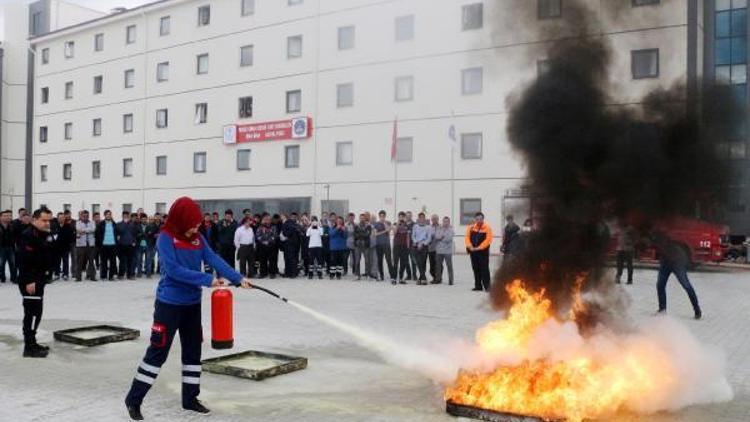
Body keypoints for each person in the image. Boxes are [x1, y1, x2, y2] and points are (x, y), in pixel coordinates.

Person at [124, 197, 252, 421]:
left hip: (192, 304)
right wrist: (206, 279)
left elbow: (214, 258)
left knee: (193, 352)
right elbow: (173, 270)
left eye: (198, 223)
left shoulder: (198, 238)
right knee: (158, 352)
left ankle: (190, 398)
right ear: (181, 220)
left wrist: (237, 277)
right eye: (192, 223)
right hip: (169, 305)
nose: (196, 227)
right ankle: (134, 400)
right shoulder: (166, 238)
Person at [17, 207, 56, 358]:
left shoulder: (44, 234)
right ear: (35, 220)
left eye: (49, 220)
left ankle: (32, 342)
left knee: (37, 313)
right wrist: (29, 280)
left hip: (39, 279)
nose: (47, 223)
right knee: (31, 314)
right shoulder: (28, 235)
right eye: (44, 220)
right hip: (30, 281)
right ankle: (29, 346)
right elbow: (23, 260)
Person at [653, 232, 702, 320]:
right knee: (660, 285)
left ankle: (697, 309)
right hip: (665, 262)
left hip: (677, 263)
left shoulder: (673, 235)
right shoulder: (660, 232)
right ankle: (662, 309)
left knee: (686, 285)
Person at [465, 212, 493, 292]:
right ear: (475, 219)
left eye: (480, 219)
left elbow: (488, 240)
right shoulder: (470, 228)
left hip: (483, 252)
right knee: (475, 269)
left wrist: (479, 248)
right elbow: (467, 238)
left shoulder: (487, 228)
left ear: (483, 219)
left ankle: (487, 286)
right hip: (473, 252)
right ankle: (478, 286)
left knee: (484, 269)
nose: (479, 221)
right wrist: (470, 246)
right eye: (477, 219)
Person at [116, 211, 140, 280]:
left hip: (131, 245)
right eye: (124, 215)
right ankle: (121, 274)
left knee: (131, 261)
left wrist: (134, 242)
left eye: (127, 215)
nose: (126, 216)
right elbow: (120, 231)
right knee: (122, 261)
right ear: (122, 216)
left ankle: (130, 275)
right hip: (122, 244)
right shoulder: (119, 224)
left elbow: (136, 234)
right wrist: (125, 224)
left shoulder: (133, 224)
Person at [75, 210, 97, 282]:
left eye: (87, 216)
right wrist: (88, 230)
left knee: (91, 261)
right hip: (81, 245)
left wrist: (83, 231)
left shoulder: (92, 222)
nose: (85, 217)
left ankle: (92, 277)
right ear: (81, 216)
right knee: (80, 262)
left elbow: (93, 229)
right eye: (84, 216)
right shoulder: (78, 222)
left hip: (90, 245)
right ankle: (78, 277)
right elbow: (78, 230)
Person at [373, 210, 395, 283]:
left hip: (386, 244)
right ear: (379, 216)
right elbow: (375, 234)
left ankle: (392, 276)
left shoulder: (388, 222)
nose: (382, 217)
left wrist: (385, 224)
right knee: (379, 261)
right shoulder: (376, 224)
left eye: (383, 216)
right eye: (381, 216)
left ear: (385, 216)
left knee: (389, 260)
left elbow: (389, 232)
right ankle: (381, 276)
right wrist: (385, 231)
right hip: (378, 244)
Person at [96, 210, 119, 281]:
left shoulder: (114, 223)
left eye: (109, 214)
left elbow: (117, 234)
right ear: (104, 215)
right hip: (104, 245)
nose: (108, 216)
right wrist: (100, 244)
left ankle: (111, 276)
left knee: (113, 261)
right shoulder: (101, 224)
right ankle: (104, 276)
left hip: (112, 245)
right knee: (104, 262)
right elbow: (97, 235)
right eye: (107, 214)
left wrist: (116, 242)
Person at [411, 213, 432, 285]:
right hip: (416, 246)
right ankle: (424, 278)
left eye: (423, 218)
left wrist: (423, 244)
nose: (422, 219)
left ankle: (420, 279)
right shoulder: (415, 226)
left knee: (423, 262)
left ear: (425, 219)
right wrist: (416, 243)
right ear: (418, 219)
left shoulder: (428, 227)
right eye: (420, 218)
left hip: (424, 246)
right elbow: (413, 236)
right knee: (418, 262)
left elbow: (429, 238)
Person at [255, 214, 278, 279]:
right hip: (262, 246)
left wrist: (268, 241)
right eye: (265, 219)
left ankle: (272, 273)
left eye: (268, 219)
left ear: (270, 220)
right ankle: (263, 273)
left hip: (271, 246)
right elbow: (258, 236)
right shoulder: (260, 227)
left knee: (272, 260)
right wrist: (263, 242)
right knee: (262, 260)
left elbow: (275, 236)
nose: (267, 221)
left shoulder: (273, 227)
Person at [434, 216, 455, 285]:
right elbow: (436, 237)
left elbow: (448, 239)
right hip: (439, 250)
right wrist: (441, 237)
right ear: (442, 222)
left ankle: (451, 280)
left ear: (449, 222)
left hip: (447, 251)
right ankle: (438, 279)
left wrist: (441, 238)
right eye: (444, 221)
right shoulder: (439, 228)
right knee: (438, 266)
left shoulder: (451, 229)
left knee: (449, 266)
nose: (445, 223)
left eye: (447, 221)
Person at [281, 213, 303, 278]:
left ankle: (293, 273)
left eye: (295, 217)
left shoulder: (296, 224)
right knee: (288, 259)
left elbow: (301, 233)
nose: (294, 218)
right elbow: (284, 232)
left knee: (293, 259)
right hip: (288, 244)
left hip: (295, 245)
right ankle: (288, 273)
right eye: (292, 216)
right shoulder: (287, 223)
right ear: (290, 217)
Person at [392, 212, 411, 285]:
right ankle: (394, 278)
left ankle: (400, 278)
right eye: (400, 217)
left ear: (404, 217)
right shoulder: (395, 224)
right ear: (398, 217)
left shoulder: (407, 225)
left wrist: (408, 246)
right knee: (395, 263)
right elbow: (394, 232)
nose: (401, 218)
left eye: (402, 217)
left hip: (404, 247)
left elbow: (408, 237)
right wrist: (398, 223)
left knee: (403, 263)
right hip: (396, 246)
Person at [55, 211, 75, 281]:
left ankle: (65, 274)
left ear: (64, 218)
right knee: (57, 261)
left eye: (62, 217)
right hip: (56, 247)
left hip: (65, 247)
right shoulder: (55, 226)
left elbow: (71, 236)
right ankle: (57, 273)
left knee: (65, 261)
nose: (61, 219)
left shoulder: (68, 226)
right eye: (59, 218)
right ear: (57, 218)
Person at [352, 213, 373, 281]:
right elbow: (355, 235)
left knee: (367, 261)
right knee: (357, 260)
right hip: (357, 246)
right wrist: (363, 233)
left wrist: (360, 234)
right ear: (359, 218)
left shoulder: (368, 226)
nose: (362, 219)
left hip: (366, 245)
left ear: (365, 218)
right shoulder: (356, 226)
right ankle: (357, 275)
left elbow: (368, 234)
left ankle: (368, 274)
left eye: (363, 218)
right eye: (361, 218)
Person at [0, 210, 16, 283]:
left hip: (11, 247)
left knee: (12, 263)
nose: (7, 217)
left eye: (8, 216)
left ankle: (13, 278)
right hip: (1, 248)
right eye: (5, 216)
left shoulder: (12, 225)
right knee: (1, 264)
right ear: (1, 217)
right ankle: (2, 278)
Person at [428, 214, 440, 282]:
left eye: (435, 219)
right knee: (432, 265)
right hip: (430, 248)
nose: (434, 220)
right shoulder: (429, 227)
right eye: (433, 219)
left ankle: (437, 278)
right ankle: (434, 276)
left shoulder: (440, 227)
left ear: (437, 219)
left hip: (438, 249)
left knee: (438, 264)